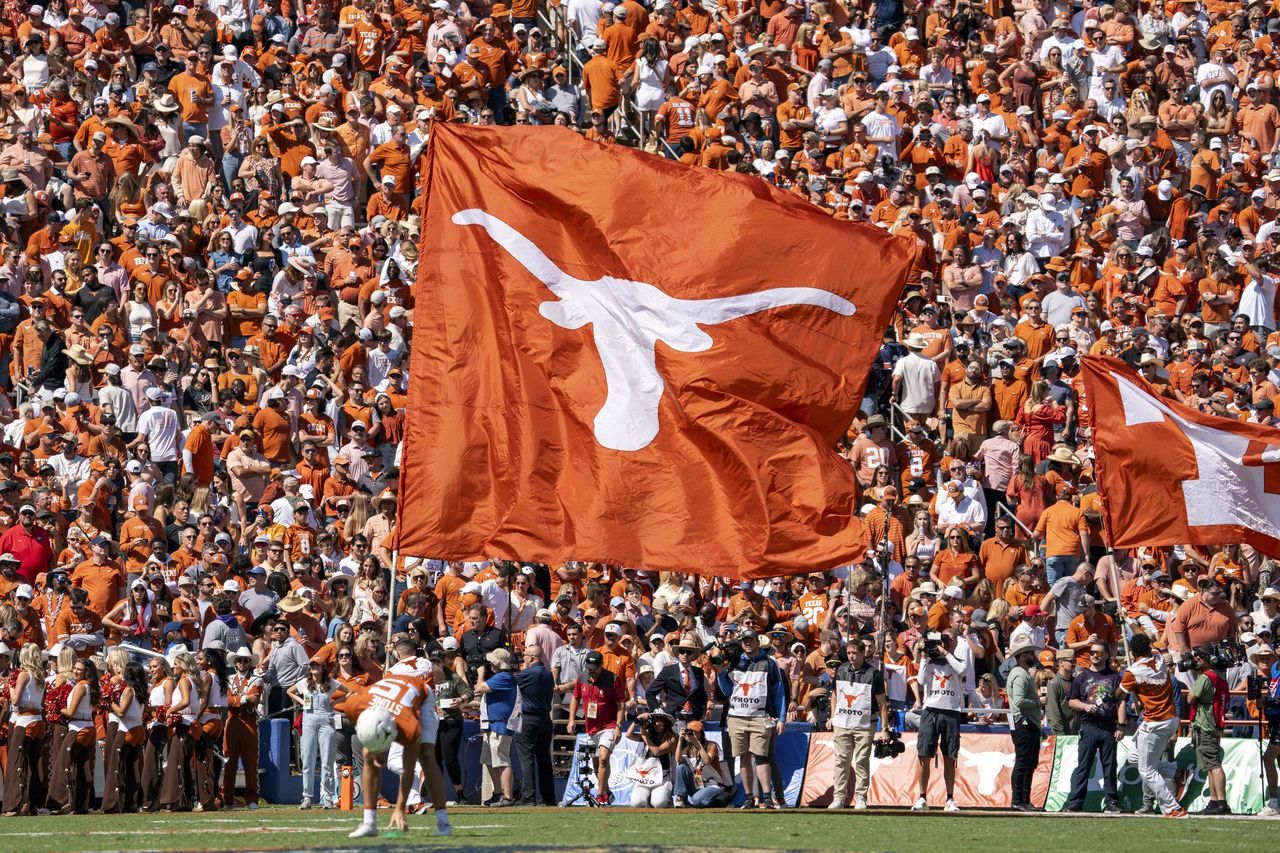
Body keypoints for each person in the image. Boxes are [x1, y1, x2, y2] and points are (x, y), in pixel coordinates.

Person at [335, 668, 451, 839]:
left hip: (421, 695)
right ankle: (369, 823)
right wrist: (374, 747)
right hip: (384, 699)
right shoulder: (354, 705)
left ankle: (443, 821)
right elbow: (363, 725)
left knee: (426, 756)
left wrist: (400, 808)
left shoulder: (407, 725)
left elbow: (407, 768)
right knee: (368, 754)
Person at [714, 627, 788, 809]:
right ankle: (748, 798)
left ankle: (767, 797)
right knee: (743, 757)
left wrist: (782, 718)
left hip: (760, 716)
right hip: (736, 715)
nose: (747, 643)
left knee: (762, 757)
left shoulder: (770, 663)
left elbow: (779, 693)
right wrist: (720, 672)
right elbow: (726, 691)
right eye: (744, 641)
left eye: (751, 640)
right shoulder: (733, 661)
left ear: (757, 641)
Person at [1117, 633, 1185, 819]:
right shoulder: (1160, 659)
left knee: (1147, 771)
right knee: (1134, 758)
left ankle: (1173, 808)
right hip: (1169, 719)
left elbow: (1119, 695)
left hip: (1155, 722)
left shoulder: (1133, 671)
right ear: (1148, 647)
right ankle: (1172, 769)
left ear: (1132, 651)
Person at [828, 637, 891, 810]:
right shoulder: (841, 670)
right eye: (848, 653)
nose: (851, 656)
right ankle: (839, 797)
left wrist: (884, 728)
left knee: (862, 761)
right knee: (841, 761)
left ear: (863, 653)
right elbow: (834, 695)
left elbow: (882, 704)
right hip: (842, 723)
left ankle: (861, 797)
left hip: (865, 725)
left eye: (855, 653)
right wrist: (832, 717)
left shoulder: (874, 674)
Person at [911, 631, 964, 812]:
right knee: (923, 755)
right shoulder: (929, 662)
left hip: (950, 712)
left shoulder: (955, 661)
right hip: (930, 710)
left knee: (950, 757)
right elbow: (920, 680)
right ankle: (922, 797)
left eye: (942, 642)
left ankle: (949, 798)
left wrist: (945, 653)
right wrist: (924, 655)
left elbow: (962, 670)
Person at [289, 659, 339, 809]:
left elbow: (349, 691)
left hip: (326, 720)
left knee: (327, 761)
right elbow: (289, 691)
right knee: (307, 759)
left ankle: (328, 797)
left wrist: (335, 703)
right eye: (312, 666)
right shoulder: (304, 682)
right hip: (308, 720)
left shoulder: (330, 682)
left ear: (323, 668)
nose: (314, 668)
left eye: (317, 665)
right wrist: (301, 701)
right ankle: (307, 797)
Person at [1188, 644, 1231, 815]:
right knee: (1210, 765)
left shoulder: (1205, 677)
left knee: (1213, 764)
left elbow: (1191, 698)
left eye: (1199, 656)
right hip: (1213, 723)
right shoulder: (1220, 676)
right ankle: (1214, 801)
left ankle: (1221, 802)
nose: (1196, 659)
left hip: (1205, 724)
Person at [474, 647, 519, 807]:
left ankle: (507, 796)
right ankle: (497, 793)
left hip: (500, 725)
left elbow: (479, 689)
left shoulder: (504, 677)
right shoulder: (501, 677)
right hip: (491, 725)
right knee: (488, 760)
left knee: (502, 761)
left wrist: (480, 674)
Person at [513, 643, 556, 807]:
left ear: (530, 657)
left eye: (525, 656)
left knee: (527, 758)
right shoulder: (547, 673)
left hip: (528, 719)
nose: (523, 658)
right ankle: (548, 797)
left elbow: (512, 681)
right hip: (545, 719)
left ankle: (528, 796)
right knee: (544, 759)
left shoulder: (528, 673)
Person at [1006, 641, 1043, 811]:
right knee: (1023, 762)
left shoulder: (1022, 673)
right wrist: (1038, 702)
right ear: (1022, 656)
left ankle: (1023, 800)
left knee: (1028, 762)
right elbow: (1020, 701)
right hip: (1024, 722)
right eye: (1030, 653)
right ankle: (1018, 800)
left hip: (1027, 723)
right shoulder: (1020, 674)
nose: (1033, 657)